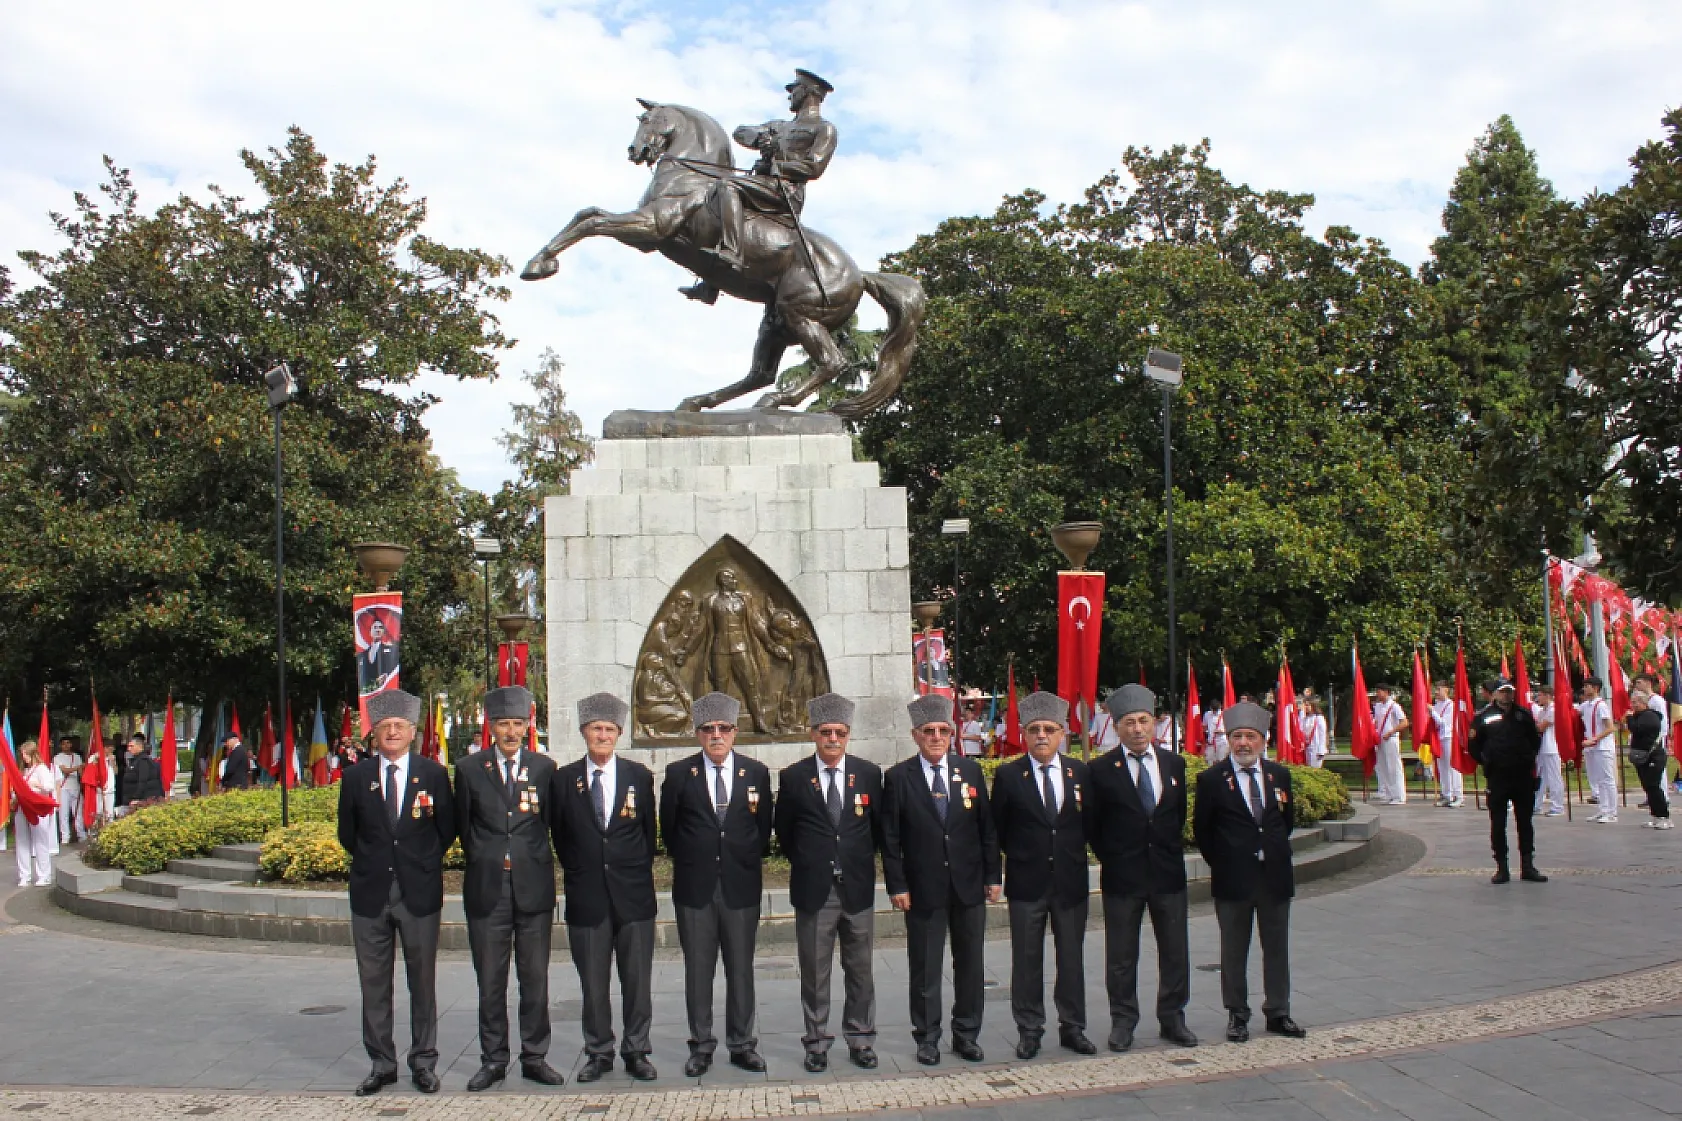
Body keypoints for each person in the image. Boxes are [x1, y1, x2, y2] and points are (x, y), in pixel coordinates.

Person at [337, 689, 455, 1097]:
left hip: (418, 892)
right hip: (370, 893)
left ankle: (423, 1062)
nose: (392, 732)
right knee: (374, 982)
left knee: (422, 981)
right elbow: (347, 834)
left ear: (412, 731)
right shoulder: (356, 778)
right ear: (374, 733)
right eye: (385, 726)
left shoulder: (433, 774)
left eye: (399, 726)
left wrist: (419, 862)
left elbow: (446, 830)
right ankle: (382, 1064)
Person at [881, 692, 1002, 1066]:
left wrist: (993, 875)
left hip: (968, 885)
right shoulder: (898, 777)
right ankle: (927, 1037)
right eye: (928, 731)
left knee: (970, 965)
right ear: (915, 735)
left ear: (952, 734)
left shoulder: (970, 772)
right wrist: (897, 885)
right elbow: (890, 839)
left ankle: (966, 1034)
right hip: (922, 889)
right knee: (925, 967)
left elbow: (986, 829)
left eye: (943, 731)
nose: (936, 737)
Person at [454, 685, 563, 1091]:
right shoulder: (469, 769)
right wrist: (490, 857)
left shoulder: (544, 768)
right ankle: (494, 1059)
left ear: (527, 725)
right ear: (491, 726)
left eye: (518, 723)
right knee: (490, 980)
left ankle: (535, 1056)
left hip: (532, 888)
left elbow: (551, 824)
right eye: (504, 724)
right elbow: (464, 827)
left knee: (534, 978)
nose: (511, 731)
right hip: (488, 889)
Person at [659, 692, 774, 1077]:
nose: (716, 735)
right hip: (696, 889)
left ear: (735, 732)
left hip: (740, 886)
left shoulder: (755, 773)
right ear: (698, 734)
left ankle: (742, 1045)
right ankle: (701, 1046)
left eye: (724, 728)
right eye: (708, 729)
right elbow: (670, 830)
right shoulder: (679, 774)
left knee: (741, 969)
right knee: (698, 971)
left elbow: (762, 830)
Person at [774, 693, 883, 1072]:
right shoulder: (794, 777)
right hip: (814, 891)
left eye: (840, 732)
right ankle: (816, 1043)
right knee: (815, 973)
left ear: (848, 734)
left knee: (861, 970)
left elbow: (877, 829)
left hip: (857, 889)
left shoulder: (868, 774)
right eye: (825, 732)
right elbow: (785, 832)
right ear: (813, 734)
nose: (833, 739)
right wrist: (812, 861)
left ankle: (861, 1038)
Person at [553, 693, 659, 1083]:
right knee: (593, 983)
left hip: (633, 897)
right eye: (596, 729)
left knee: (637, 981)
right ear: (584, 732)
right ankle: (598, 1052)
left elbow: (647, 835)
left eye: (610, 729)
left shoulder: (638, 776)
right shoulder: (564, 780)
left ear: (619, 733)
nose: (603, 735)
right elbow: (561, 836)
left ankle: (637, 1050)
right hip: (587, 896)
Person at [1087, 684, 1195, 1053]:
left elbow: (1176, 816)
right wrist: (1115, 857)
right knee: (1121, 955)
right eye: (1129, 722)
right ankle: (1123, 1020)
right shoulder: (1100, 770)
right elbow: (1094, 826)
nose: (1137, 729)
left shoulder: (1174, 764)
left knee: (1175, 950)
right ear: (1117, 727)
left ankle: (1173, 1017)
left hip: (1167, 874)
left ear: (1154, 724)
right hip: (1123, 875)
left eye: (1143, 721)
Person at [990, 691, 1094, 1059]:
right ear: (1023, 733)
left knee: (1071, 959)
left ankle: (1073, 1027)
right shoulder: (1009, 776)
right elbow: (996, 831)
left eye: (1050, 729)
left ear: (1063, 733)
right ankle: (1029, 1029)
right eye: (1034, 729)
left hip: (1070, 882)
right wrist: (999, 873)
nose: (1042, 736)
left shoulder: (1080, 773)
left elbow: (1090, 824)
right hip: (1027, 883)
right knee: (1027, 961)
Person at [1194, 702, 1307, 1043]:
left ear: (1263, 739)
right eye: (1237, 736)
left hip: (1274, 877)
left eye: (1250, 736)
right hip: (1233, 879)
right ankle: (1237, 1014)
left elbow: (1285, 822)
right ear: (1229, 740)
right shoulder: (1212, 780)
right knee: (1234, 950)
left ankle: (1279, 1011)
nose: (1243, 743)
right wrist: (1227, 861)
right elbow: (1203, 832)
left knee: (1277, 948)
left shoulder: (1279, 775)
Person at [679, 69, 838, 303]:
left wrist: (777, 164)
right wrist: (760, 138)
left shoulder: (824, 129)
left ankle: (732, 252)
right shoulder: (780, 126)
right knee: (720, 204)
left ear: (808, 92)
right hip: (763, 184)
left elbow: (814, 167)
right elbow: (740, 132)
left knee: (728, 187)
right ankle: (711, 283)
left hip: (786, 190)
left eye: (794, 89)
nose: (790, 95)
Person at [1468, 678, 1547, 884]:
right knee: (1498, 823)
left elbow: (1535, 740)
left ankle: (1527, 866)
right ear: (1494, 694)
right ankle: (1502, 868)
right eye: (1502, 691)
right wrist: (1487, 761)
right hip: (1498, 777)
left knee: (1525, 822)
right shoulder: (1484, 717)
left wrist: (1527, 758)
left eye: (1509, 691)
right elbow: (1474, 745)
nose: (1506, 695)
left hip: (1522, 776)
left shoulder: (1523, 715)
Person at [1626, 684, 1672, 829]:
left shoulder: (1650, 716)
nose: (1633, 705)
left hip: (1654, 756)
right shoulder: (1639, 716)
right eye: (1632, 702)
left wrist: (1629, 719)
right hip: (1642, 757)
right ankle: (1655, 816)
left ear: (1644, 703)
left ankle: (1664, 817)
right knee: (1648, 787)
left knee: (1653, 786)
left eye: (1636, 702)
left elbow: (1636, 729)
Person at [13, 741, 57, 887]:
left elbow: (49, 786)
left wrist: (36, 785)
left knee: (40, 841)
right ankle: (24, 875)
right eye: (22, 754)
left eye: (26, 754)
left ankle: (44, 875)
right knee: (22, 841)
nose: (24, 757)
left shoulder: (41, 769)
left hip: (37, 807)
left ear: (32, 753)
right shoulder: (23, 771)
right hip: (22, 807)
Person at [1579, 677, 1617, 823]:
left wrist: (1594, 739)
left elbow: (1610, 727)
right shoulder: (1586, 705)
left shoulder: (1601, 705)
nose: (1584, 689)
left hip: (1603, 747)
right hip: (1592, 748)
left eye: (1587, 686)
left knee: (1607, 779)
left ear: (1595, 688)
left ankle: (1612, 812)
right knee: (1598, 780)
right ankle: (1603, 809)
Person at [1371, 684, 1409, 805]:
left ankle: (1399, 795)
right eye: (1377, 691)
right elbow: (1376, 722)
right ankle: (1390, 794)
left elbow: (1404, 722)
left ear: (1386, 692)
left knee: (1394, 767)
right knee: (1383, 767)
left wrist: (1391, 731)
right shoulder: (1377, 706)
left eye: (1379, 691)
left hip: (1391, 738)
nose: (1377, 694)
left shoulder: (1394, 706)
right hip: (1380, 739)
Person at [1532, 684, 1564, 816]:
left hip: (1552, 747)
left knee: (1554, 778)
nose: (1538, 698)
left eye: (1540, 695)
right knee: (1541, 777)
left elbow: (1541, 727)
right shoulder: (1542, 711)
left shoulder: (1553, 709)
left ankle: (1558, 806)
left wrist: (1533, 725)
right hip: (1543, 747)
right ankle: (1536, 804)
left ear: (1547, 696)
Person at [1430, 682, 1464, 808]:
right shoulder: (1437, 705)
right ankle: (1446, 794)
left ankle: (1458, 795)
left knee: (1453, 767)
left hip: (1449, 738)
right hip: (1439, 739)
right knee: (1442, 768)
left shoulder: (1451, 705)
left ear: (1446, 690)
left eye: (1439, 689)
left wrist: (1432, 712)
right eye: (1436, 689)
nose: (1436, 692)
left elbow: (1444, 723)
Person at [52, 736, 84, 844]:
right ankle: (65, 837)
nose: (66, 745)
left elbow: (81, 773)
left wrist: (82, 775)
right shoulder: (57, 758)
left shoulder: (77, 757)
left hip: (76, 787)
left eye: (68, 743)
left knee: (78, 813)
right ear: (60, 746)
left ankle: (81, 834)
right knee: (64, 814)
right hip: (63, 788)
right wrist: (78, 767)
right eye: (64, 743)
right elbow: (64, 770)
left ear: (71, 744)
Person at [119, 735, 164, 807]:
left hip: (143, 799)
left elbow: (143, 781)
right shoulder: (136, 760)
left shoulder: (143, 761)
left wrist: (136, 797)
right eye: (128, 746)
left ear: (140, 747)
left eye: (132, 746)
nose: (129, 749)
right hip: (133, 798)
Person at [1302, 700, 1329, 769]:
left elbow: (1322, 735)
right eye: (1305, 705)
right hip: (1307, 747)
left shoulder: (1319, 718)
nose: (1306, 707)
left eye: (1308, 705)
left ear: (1313, 706)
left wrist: (1321, 750)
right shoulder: (1305, 718)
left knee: (1315, 768)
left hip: (1316, 747)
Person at [959, 694, 987, 759]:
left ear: (972, 714)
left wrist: (964, 736)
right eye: (965, 713)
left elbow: (978, 737)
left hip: (973, 752)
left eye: (968, 713)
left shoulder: (975, 724)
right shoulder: (961, 724)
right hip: (963, 751)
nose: (966, 714)